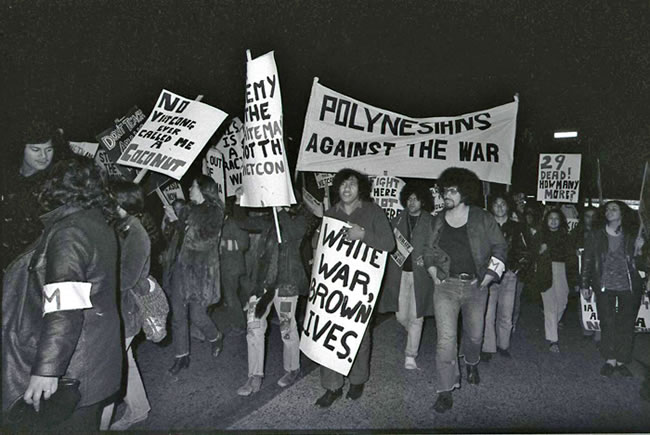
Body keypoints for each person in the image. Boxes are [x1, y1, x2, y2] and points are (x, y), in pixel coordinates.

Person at [2, 157, 122, 430]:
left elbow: (64, 308)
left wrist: (46, 370)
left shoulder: (69, 232)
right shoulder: (94, 221)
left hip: (74, 369)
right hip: (92, 358)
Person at [428, 167, 507, 413]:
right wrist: (432, 271)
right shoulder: (439, 218)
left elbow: (500, 248)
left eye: (452, 190)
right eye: (444, 190)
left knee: (474, 335)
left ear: (465, 191)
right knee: (446, 340)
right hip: (446, 287)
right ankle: (445, 389)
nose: (446, 195)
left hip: (476, 287)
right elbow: (429, 250)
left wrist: (489, 277)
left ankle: (471, 362)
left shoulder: (483, 218)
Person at [315, 168, 395, 408]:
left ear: (360, 188)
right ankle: (332, 386)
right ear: (337, 188)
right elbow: (317, 247)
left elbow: (389, 244)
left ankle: (358, 379)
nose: (347, 188)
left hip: (361, 287)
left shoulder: (373, 212)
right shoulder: (331, 213)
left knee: (358, 335)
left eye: (352, 184)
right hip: (334, 285)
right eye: (343, 184)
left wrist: (363, 235)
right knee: (328, 334)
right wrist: (319, 233)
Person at [236, 201, 308, 396]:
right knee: (253, 327)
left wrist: (281, 211)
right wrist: (240, 202)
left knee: (286, 328)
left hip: (287, 284)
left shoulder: (302, 219)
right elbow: (242, 222)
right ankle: (254, 375)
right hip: (262, 285)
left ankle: (293, 368)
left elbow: (293, 233)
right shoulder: (268, 221)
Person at [100, 181, 152, 430]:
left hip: (127, 308)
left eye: (110, 197)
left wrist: (98, 277)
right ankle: (139, 409)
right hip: (118, 308)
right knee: (124, 360)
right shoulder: (120, 227)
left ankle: (98, 424)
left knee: (109, 368)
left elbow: (128, 277)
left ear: (122, 201)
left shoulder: (136, 233)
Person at [167, 175, 224, 375]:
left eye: (193, 185)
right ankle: (181, 355)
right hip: (181, 269)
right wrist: (174, 222)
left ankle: (215, 337)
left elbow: (201, 242)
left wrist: (180, 217)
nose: (189, 189)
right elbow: (177, 239)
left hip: (201, 274)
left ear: (203, 189)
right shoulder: (189, 210)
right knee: (178, 314)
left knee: (198, 316)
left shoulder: (215, 212)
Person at [580, 201, 645, 377]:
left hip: (629, 287)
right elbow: (587, 260)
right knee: (607, 323)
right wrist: (585, 284)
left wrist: (641, 248)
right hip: (604, 286)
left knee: (626, 324)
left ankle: (622, 360)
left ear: (622, 214)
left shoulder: (633, 236)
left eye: (614, 209)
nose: (609, 211)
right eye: (607, 209)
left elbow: (641, 263)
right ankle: (610, 360)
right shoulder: (595, 235)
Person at [377, 182, 436, 370]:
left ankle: (411, 354)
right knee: (401, 315)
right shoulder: (397, 220)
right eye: (409, 198)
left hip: (422, 277)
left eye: (416, 199)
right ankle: (414, 332)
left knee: (416, 316)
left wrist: (427, 259)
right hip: (400, 274)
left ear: (423, 201)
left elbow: (438, 247)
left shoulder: (431, 222)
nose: (412, 202)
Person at [1, 123, 72, 269]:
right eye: (35, 149)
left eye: (49, 149)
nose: (44, 156)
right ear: (22, 149)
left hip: (29, 264)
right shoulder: (7, 176)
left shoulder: (56, 184)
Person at [481, 193, 529, 361]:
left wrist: (516, 270)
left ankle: (503, 345)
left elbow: (525, 250)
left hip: (509, 275)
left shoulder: (517, 228)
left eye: (503, 204)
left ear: (508, 207)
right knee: (488, 313)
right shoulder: (486, 227)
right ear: (491, 207)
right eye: (496, 204)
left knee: (506, 313)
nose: (500, 207)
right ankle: (488, 347)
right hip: (489, 276)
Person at [533, 208, 578, 353]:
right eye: (550, 218)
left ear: (561, 221)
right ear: (546, 221)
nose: (553, 221)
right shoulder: (539, 235)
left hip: (561, 271)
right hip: (545, 270)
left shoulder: (567, 237)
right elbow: (532, 254)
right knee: (550, 306)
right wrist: (540, 251)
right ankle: (553, 339)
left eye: (556, 218)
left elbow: (572, 259)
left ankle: (552, 322)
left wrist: (575, 280)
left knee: (562, 302)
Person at [574, 206, 601, 343]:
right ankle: (586, 330)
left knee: (598, 301)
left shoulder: (602, 233)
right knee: (583, 301)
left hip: (597, 272)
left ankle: (598, 331)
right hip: (582, 272)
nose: (590, 219)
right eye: (587, 216)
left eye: (593, 216)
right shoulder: (577, 233)